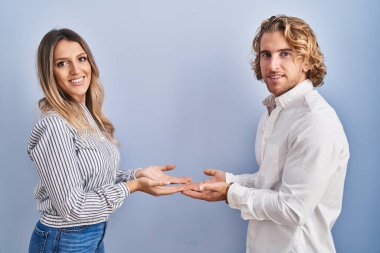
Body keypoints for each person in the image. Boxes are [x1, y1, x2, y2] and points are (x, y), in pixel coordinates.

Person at [182, 15, 350, 253]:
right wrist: (231, 181)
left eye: (285, 53)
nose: (272, 65)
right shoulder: (273, 112)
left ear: (307, 61)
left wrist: (232, 193)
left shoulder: (315, 120)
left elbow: (293, 208)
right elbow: (273, 182)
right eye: (265, 55)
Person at [28, 28, 191, 253]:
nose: (76, 70)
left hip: (92, 234)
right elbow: (73, 208)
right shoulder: (54, 125)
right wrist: (133, 186)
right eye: (62, 63)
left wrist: (138, 174)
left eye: (81, 59)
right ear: (49, 73)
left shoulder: (85, 116)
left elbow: (90, 180)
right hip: (64, 239)